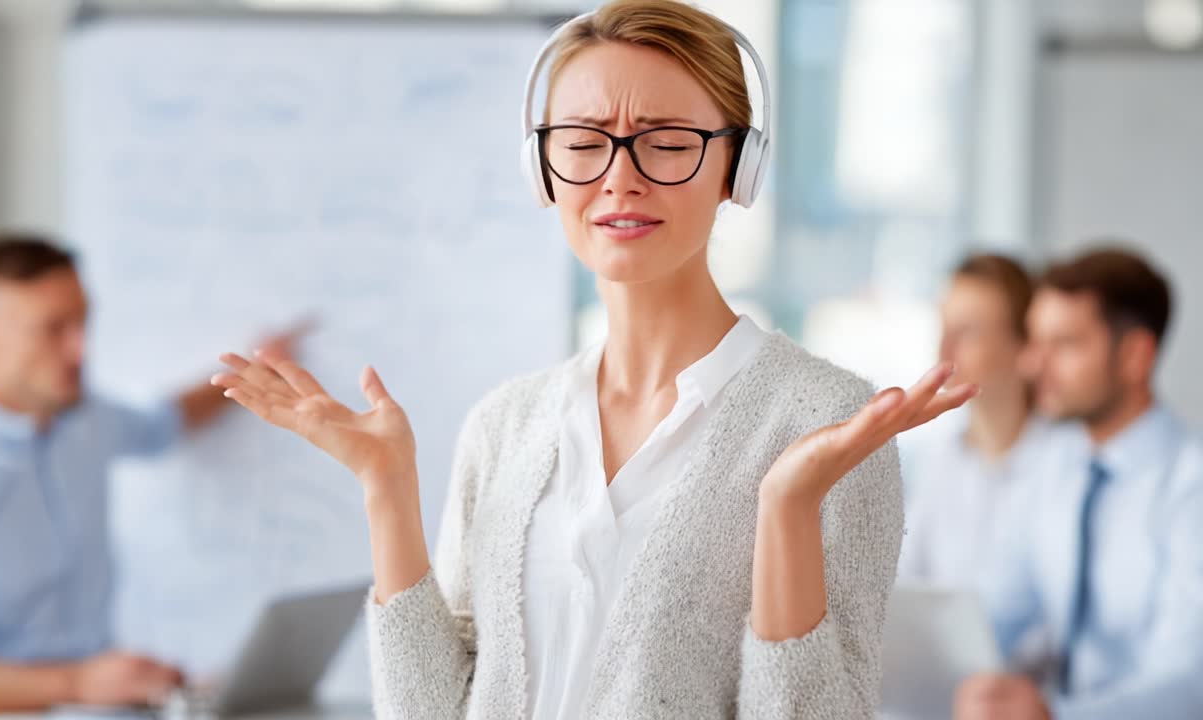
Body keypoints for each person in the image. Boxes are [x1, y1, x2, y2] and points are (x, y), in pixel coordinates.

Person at [214, 1, 974, 717]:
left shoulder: (831, 424)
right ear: (542, 169)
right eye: (582, 143)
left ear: (737, 169)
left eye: (667, 142)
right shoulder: (505, 424)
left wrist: (787, 507)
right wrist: (386, 489)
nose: (619, 176)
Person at [0, 234, 297, 716]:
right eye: (52, 329)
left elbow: (166, 421)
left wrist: (256, 371)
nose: (80, 350)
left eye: (82, 321)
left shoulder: (85, 418)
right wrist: (77, 682)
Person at [955, 248, 1203, 720]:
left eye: (1064, 345)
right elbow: (994, 615)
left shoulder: (1191, 486)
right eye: (1035, 341)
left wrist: (1054, 716)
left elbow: (1190, 684)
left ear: (1134, 356)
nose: (1032, 366)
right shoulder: (1052, 465)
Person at [900, 254, 1072, 592]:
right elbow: (906, 580)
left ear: (1024, 345)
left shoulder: (1069, 462)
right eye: (943, 327)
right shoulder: (942, 460)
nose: (943, 349)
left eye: (968, 332)